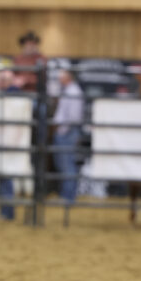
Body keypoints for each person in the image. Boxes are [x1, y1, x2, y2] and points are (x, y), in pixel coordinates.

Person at [52, 68, 84, 202]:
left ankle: (68, 196)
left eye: (62, 75)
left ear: (68, 77)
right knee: (66, 163)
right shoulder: (69, 91)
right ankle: (67, 194)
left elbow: (74, 116)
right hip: (67, 130)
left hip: (68, 131)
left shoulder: (73, 92)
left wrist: (62, 129)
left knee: (67, 163)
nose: (59, 78)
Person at [0, 69, 21, 220]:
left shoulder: (12, 96)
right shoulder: (13, 96)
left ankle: (7, 212)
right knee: (4, 175)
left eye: (2, 80)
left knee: (6, 175)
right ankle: (5, 210)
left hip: (9, 140)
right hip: (6, 139)